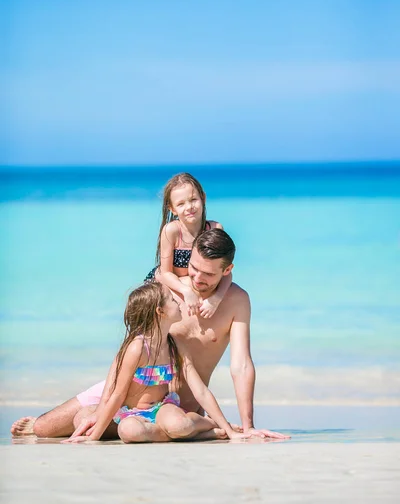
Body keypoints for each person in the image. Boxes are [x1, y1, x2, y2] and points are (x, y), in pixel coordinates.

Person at [11, 229, 289, 441]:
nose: (196, 278)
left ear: (227, 271)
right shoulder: (168, 291)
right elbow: (127, 355)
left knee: (155, 427)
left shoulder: (238, 301)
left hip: (174, 406)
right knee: (45, 428)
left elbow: (241, 365)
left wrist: (248, 425)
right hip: (131, 391)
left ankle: (199, 429)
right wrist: (104, 406)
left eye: (207, 274)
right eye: (193, 267)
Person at [62, 281, 247, 443]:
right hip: (129, 413)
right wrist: (93, 437)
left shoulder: (174, 345)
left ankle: (211, 425)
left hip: (162, 409)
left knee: (179, 425)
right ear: (160, 311)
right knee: (127, 430)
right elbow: (117, 395)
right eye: (173, 300)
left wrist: (230, 431)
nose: (179, 302)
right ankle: (201, 435)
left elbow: (201, 391)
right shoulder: (137, 348)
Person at [145, 172, 231, 319]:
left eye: (193, 200)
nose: (189, 207)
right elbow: (166, 273)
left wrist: (215, 299)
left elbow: (225, 272)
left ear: (203, 198)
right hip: (169, 284)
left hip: (196, 285)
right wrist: (186, 291)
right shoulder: (171, 231)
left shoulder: (214, 228)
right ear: (172, 208)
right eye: (180, 204)